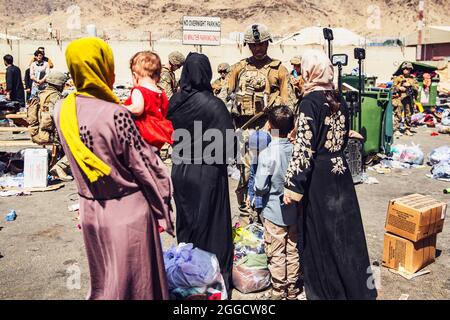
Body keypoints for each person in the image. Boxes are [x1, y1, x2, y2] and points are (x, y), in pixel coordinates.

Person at [54, 37, 174, 300]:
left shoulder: (62, 110)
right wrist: (164, 205)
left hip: (90, 210)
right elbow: (147, 167)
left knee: (105, 283)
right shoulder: (114, 113)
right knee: (137, 287)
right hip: (127, 213)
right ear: (102, 67)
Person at [283, 50, 377, 300]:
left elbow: (304, 149)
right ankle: (357, 289)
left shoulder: (308, 103)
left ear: (309, 71)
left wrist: (292, 186)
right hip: (341, 172)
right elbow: (338, 134)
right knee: (345, 233)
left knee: (320, 236)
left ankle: (327, 291)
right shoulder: (339, 98)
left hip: (319, 178)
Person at [167, 52, 235, 296]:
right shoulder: (214, 105)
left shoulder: (174, 101)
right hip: (208, 172)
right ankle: (212, 278)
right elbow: (229, 145)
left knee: (187, 222)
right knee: (211, 223)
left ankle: (186, 275)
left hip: (181, 170)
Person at [227, 23, 290, 216]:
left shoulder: (278, 69)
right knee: (245, 172)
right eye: (253, 45)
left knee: (272, 169)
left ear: (267, 44)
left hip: (271, 128)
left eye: (261, 44)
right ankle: (247, 213)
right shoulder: (238, 68)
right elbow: (226, 97)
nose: (258, 48)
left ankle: (267, 213)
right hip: (244, 128)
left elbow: (289, 104)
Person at [255, 105, 299, 300]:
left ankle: (279, 290)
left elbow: (260, 186)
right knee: (293, 248)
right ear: (292, 127)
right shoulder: (297, 150)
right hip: (295, 209)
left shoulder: (267, 154)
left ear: (269, 126)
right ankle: (293, 288)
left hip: (273, 211)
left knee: (276, 251)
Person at [26, 71, 73, 181]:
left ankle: (61, 165)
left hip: (37, 132)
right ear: (59, 84)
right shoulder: (54, 97)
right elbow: (56, 117)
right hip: (47, 135)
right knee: (80, 143)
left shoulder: (41, 93)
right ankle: (60, 167)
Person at [123, 51, 173, 151]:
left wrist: (120, 107)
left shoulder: (139, 91)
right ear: (158, 77)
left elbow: (137, 109)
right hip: (156, 139)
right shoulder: (161, 93)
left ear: (135, 76)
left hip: (141, 137)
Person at [247, 130, 271, 224]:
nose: (253, 153)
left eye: (255, 150)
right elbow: (252, 176)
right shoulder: (255, 159)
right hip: (257, 201)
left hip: (267, 203)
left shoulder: (271, 160)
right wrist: (250, 195)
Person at [392, 62, 418, 137]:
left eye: (407, 69)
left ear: (410, 69)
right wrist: (399, 88)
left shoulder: (413, 79)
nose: (405, 70)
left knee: (408, 114)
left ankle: (407, 129)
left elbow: (417, 88)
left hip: (408, 98)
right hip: (399, 98)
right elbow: (393, 87)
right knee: (398, 114)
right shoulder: (398, 78)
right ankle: (396, 130)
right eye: (404, 69)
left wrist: (411, 85)